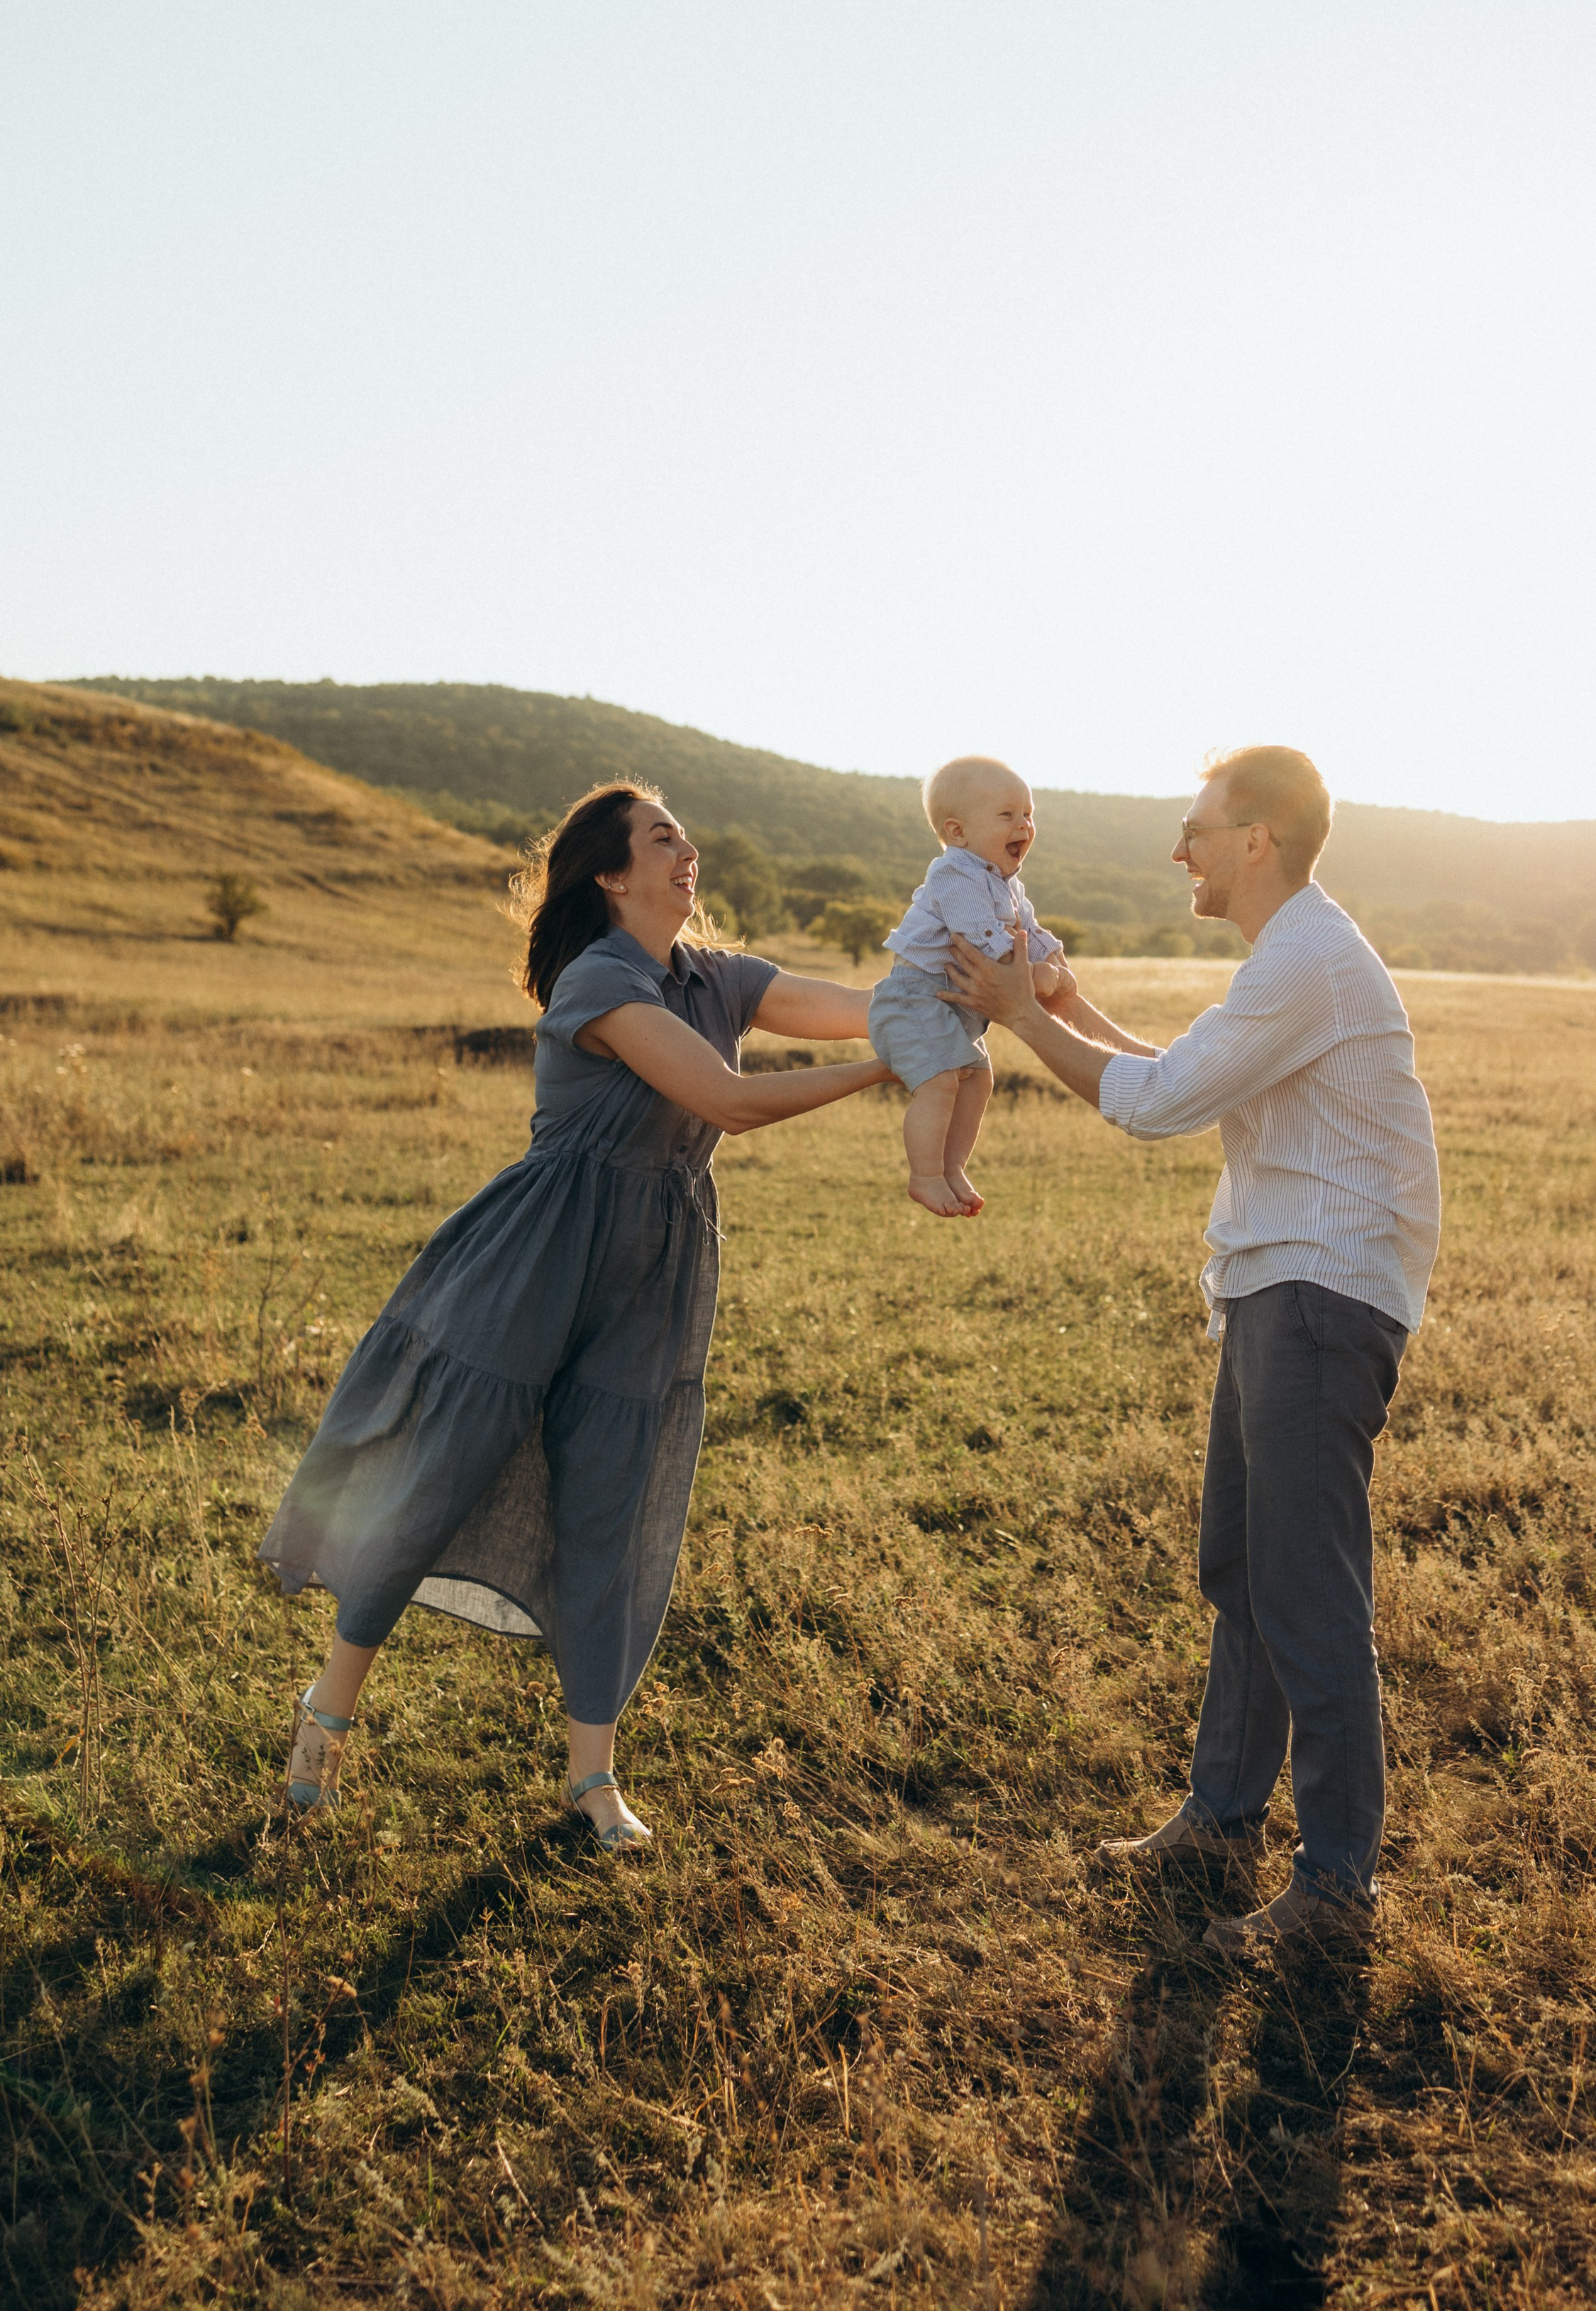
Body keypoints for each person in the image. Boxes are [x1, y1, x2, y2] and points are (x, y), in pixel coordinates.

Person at [261, 781, 893, 1851]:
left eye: (686, 833)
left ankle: (593, 1781)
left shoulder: (718, 977)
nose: (688, 850)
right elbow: (729, 1104)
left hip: (658, 1265)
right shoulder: (601, 977)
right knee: (438, 1477)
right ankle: (328, 1713)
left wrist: (967, 986)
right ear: (612, 872)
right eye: (662, 838)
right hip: (538, 1252)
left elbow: (872, 1004)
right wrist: (892, 1067)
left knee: (615, 1495)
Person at [944, 745, 1441, 1950]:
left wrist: (1017, 1016)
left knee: (1306, 1586)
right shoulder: (1294, 958)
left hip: (1320, 1295)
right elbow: (1191, 1078)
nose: (1182, 851)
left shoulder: (1308, 960)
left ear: (1255, 841)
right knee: (1244, 1567)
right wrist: (1062, 1009)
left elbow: (1159, 1107)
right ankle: (1222, 1814)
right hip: (1282, 1284)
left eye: (1198, 830)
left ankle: (1334, 1890)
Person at [868, 756, 1067, 1217]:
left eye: (1028, 814)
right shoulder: (956, 873)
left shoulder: (1006, 883)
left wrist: (1054, 960)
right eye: (1007, 815)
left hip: (950, 1007)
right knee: (940, 1083)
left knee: (978, 1079)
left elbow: (1029, 930)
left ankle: (952, 1165)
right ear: (958, 833)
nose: (1024, 825)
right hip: (917, 998)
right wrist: (1034, 977)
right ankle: (925, 1176)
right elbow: (984, 939)